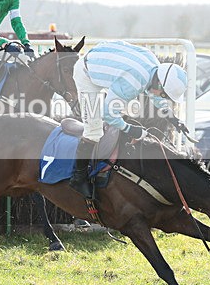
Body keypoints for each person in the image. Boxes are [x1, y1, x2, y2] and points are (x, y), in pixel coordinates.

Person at [69, 40, 188, 196]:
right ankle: (78, 178)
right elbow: (108, 114)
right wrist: (131, 130)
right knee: (93, 130)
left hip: (101, 61)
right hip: (86, 75)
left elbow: (154, 93)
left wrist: (172, 118)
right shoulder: (134, 82)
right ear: (159, 83)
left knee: (120, 111)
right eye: (165, 95)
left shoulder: (154, 66)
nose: (163, 97)